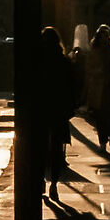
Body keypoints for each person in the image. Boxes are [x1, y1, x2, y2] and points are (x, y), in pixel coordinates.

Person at [38, 23, 80, 202]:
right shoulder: (63, 62)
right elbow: (73, 86)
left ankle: (40, 180)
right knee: (56, 149)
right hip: (58, 110)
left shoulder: (38, 62)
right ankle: (54, 184)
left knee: (39, 147)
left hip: (41, 109)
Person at [83, 22, 110, 157]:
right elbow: (88, 69)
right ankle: (103, 141)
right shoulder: (94, 52)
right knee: (100, 117)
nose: (104, 38)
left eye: (106, 35)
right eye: (102, 35)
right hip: (98, 89)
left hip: (109, 88)